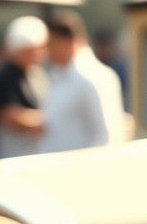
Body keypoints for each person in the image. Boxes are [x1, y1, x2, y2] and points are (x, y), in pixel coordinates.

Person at [41, 10, 127, 153]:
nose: (48, 51)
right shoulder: (60, 74)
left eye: (51, 44)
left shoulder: (92, 77)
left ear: (67, 41)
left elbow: (107, 135)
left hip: (81, 165)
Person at [0, 15, 48, 159]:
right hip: (14, 150)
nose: (37, 55)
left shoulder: (37, 73)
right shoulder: (6, 75)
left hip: (35, 149)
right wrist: (49, 119)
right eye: (30, 50)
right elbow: (9, 115)